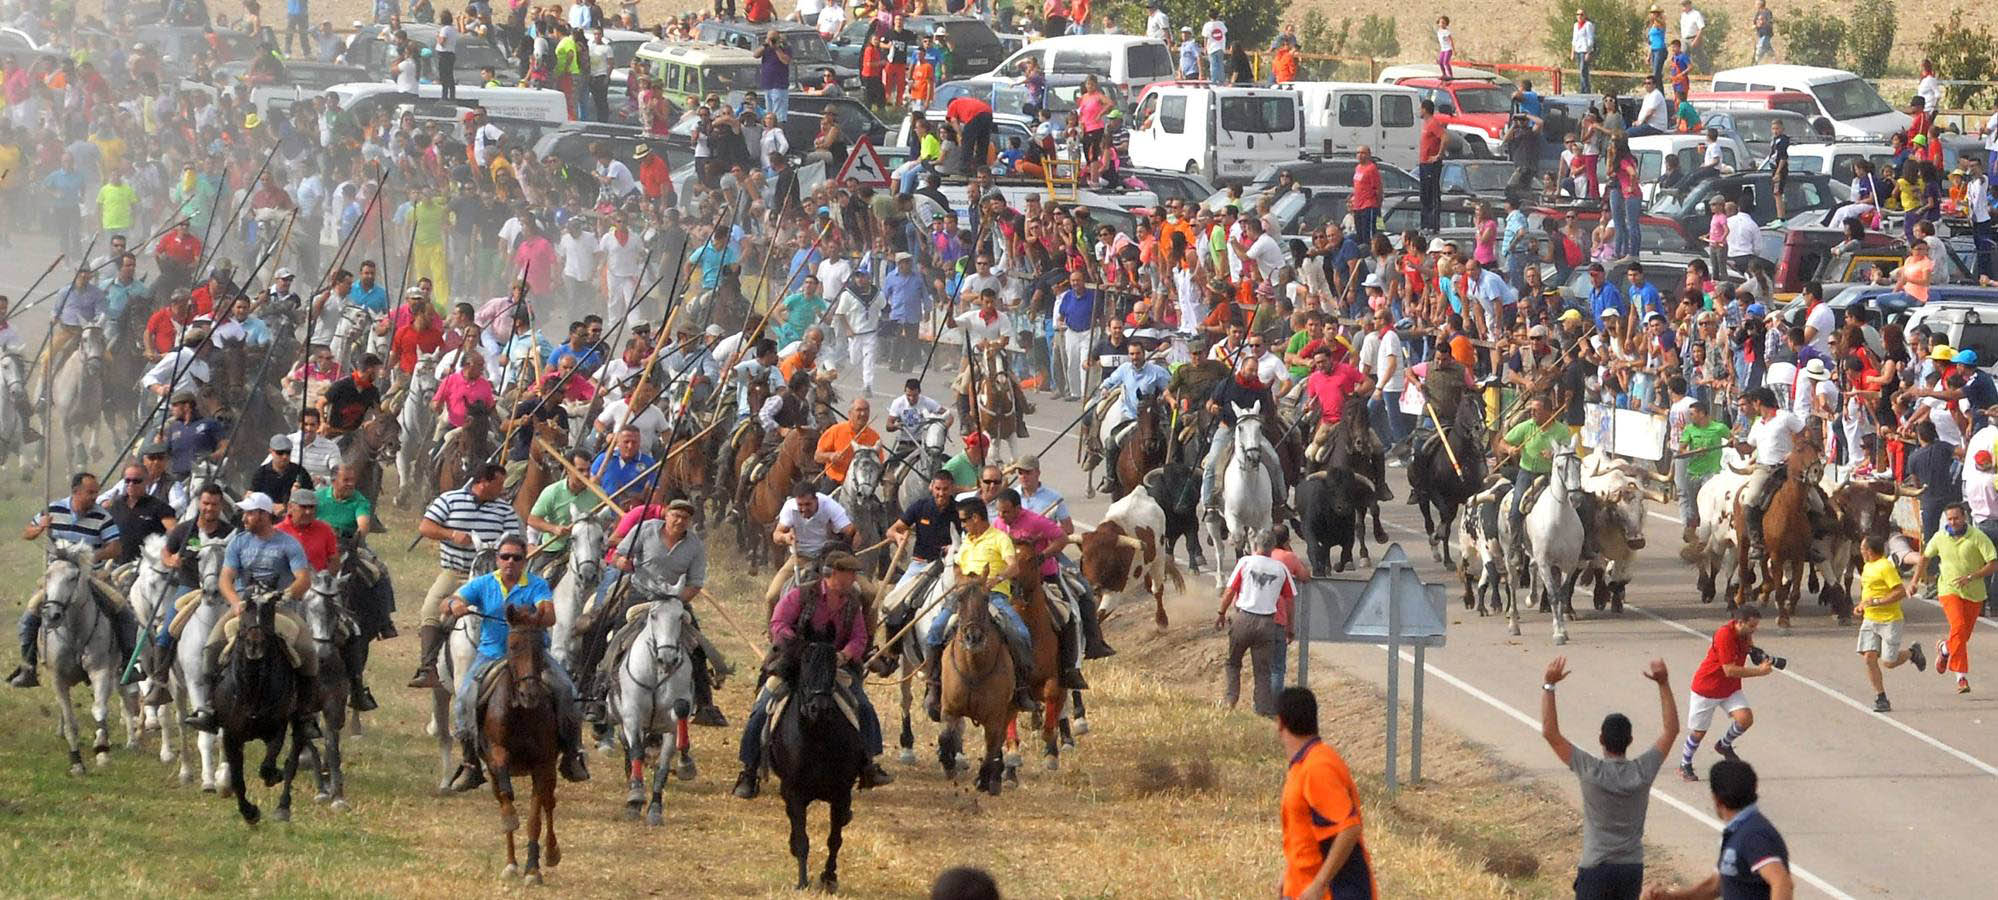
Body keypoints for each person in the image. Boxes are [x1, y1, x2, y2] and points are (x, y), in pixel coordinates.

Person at [731, 551, 893, 798]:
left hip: (833, 666)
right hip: (795, 661)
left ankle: (868, 764)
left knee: (862, 706)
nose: (853, 579)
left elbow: (860, 638)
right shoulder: (801, 594)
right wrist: (797, 646)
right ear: (831, 575)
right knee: (764, 705)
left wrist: (844, 655)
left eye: (853, 575)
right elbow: (778, 623)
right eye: (849, 574)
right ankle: (749, 770)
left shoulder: (852, 603)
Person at [443, 533, 591, 790]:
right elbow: (449, 602)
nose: (510, 561)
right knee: (464, 699)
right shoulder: (483, 584)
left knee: (567, 690)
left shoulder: (536, 585)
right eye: (505, 556)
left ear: (524, 561)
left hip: (533, 656)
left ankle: (571, 754)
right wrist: (454, 604)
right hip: (492, 655)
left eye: (517, 557)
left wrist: (536, 615)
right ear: (497, 559)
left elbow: (549, 615)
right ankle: (470, 763)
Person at [182, 493, 319, 738]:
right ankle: (209, 708)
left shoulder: (288, 544)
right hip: (245, 607)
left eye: (250, 513)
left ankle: (305, 714)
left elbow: (303, 578)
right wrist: (234, 601)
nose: (244, 518)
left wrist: (286, 595)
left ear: (264, 515)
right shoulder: (239, 542)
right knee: (212, 646)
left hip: (278, 608)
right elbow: (226, 578)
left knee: (307, 649)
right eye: (245, 513)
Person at [1541, 656, 1678, 900]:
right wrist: (1663, 684)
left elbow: (1550, 733)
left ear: (1601, 740)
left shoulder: (1590, 770)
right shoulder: (1642, 771)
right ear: (1630, 741)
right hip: (1631, 868)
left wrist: (1549, 686)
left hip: (1595, 866)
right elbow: (1671, 730)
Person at [9, 474, 135, 688]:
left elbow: (115, 547)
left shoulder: (102, 516)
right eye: (90, 492)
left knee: (123, 610)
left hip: (90, 577)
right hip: (56, 577)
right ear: (76, 492)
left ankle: (129, 662)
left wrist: (89, 557)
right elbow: (27, 533)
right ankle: (28, 666)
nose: (95, 497)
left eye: (96, 492)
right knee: (29, 616)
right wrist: (40, 527)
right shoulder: (54, 510)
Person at [409, 463, 525, 689]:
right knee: (431, 608)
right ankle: (429, 667)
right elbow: (425, 527)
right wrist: (451, 534)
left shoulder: (505, 510)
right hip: (457, 572)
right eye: (499, 483)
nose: (503, 489)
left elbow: (514, 539)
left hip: (494, 577)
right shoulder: (449, 500)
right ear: (483, 481)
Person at [923, 499, 1037, 716]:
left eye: (964, 520)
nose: (963, 525)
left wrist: (998, 577)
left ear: (976, 518)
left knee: (1020, 632)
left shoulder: (1000, 539)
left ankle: (1022, 688)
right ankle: (933, 686)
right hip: (965, 597)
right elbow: (959, 569)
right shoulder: (966, 542)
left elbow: (1014, 566)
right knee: (935, 630)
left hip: (992, 596)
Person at [1276, 687, 1376, 900]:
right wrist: (1289, 875)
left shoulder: (1318, 767)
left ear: (1280, 723)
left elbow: (1349, 828)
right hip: (1304, 888)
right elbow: (1304, 832)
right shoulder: (1304, 764)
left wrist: (1319, 884)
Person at [1642, 760, 1793, 900]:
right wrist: (1669, 897)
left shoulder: (1753, 834)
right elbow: (1714, 886)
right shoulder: (1738, 831)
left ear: (1716, 798)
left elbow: (1782, 882)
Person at [1679, 605, 1776, 782]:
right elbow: (1729, 670)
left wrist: (1757, 653)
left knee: (1745, 718)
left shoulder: (1744, 633)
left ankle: (1724, 745)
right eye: (1752, 626)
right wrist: (1760, 672)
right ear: (1740, 622)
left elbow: (1749, 646)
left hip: (1729, 688)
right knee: (1699, 732)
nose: (1754, 630)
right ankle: (1685, 763)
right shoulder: (1724, 635)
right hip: (1708, 688)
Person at [1915, 501, 1994, 695]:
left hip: (1974, 593)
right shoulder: (1940, 537)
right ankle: (1961, 677)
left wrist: (1972, 577)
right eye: (1949, 519)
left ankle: (1944, 649)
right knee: (1958, 627)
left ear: (1964, 517)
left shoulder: (1977, 537)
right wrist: (1914, 581)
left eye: (1956, 518)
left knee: (1961, 637)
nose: (1953, 522)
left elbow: (1993, 563)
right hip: (1949, 590)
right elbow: (1925, 557)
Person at [1217, 528, 1294, 717]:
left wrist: (1221, 612)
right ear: (1273, 546)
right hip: (1267, 623)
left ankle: (1230, 700)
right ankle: (1262, 710)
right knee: (1263, 671)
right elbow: (1290, 601)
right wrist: (1290, 628)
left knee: (1233, 662)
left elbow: (1230, 591)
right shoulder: (1280, 569)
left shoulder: (1245, 562)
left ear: (1256, 545)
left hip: (1243, 619)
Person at [1853, 534, 1928, 712]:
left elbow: (1900, 592)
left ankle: (1912, 653)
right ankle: (1881, 697)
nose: (1861, 552)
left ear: (1869, 551)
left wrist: (1878, 602)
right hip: (1870, 619)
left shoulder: (1885, 567)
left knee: (1889, 662)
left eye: (1862, 549)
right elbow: (1869, 591)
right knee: (1869, 658)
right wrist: (1862, 605)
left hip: (1889, 620)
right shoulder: (1867, 566)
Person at [1094, 338, 1170, 493]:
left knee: (1171, 442)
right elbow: (1109, 381)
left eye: (1138, 354)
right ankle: (1111, 479)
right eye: (1132, 354)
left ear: (1144, 354)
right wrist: (1104, 389)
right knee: (1110, 443)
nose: (1135, 357)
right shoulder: (1124, 369)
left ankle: (1172, 478)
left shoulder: (1156, 372)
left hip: (1153, 420)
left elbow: (1169, 388)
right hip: (1130, 419)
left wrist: (1165, 397)